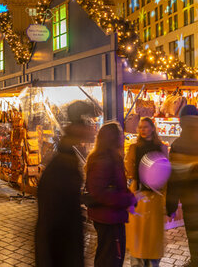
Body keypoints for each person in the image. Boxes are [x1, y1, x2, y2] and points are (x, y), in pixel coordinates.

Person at [35, 101, 93, 267]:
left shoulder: (67, 156)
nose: (92, 128)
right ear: (77, 128)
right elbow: (62, 206)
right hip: (60, 244)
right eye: (88, 123)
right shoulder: (63, 162)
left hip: (60, 242)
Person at [84, 122, 136, 267]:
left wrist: (130, 197)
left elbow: (117, 186)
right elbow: (100, 193)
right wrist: (127, 199)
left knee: (109, 256)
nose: (122, 137)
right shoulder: (104, 160)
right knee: (110, 259)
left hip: (110, 217)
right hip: (108, 218)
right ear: (112, 138)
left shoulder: (111, 157)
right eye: (120, 135)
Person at [126, 117, 168, 266]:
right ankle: (138, 263)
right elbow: (130, 172)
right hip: (139, 194)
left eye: (145, 127)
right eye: (140, 127)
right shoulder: (134, 148)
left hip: (156, 196)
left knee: (153, 235)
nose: (142, 130)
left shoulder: (162, 147)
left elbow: (166, 171)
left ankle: (153, 263)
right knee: (139, 234)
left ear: (152, 128)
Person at [167, 105, 198, 263]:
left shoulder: (178, 145)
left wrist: (170, 206)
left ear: (180, 122)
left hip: (191, 203)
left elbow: (175, 179)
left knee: (194, 236)